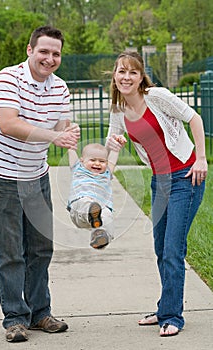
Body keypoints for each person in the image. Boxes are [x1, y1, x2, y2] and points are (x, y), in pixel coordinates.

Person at [0, 26, 80, 343]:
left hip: (37, 176)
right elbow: (9, 124)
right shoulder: (7, 78)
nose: (50, 59)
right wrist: (55, 135)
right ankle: (15, 318)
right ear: (29, 50)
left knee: (40, 249)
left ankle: (39, 313)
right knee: (11, 252)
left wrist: (77, 153)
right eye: (44, 51)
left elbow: (64, 130)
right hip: (2, 177)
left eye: (56, 53)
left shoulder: (60, 87)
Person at [106, 50, 208, 337]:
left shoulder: (157, 96)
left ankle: (173, 316)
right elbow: (113, 145)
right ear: (115, 76)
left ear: (141, 77)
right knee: (161, 249)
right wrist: (107, 167)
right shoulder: (117, 108)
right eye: (121, 71)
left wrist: (201, 159)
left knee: (173, 249)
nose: (126, 77)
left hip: (186, 177)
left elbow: (194, 118)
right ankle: (165, 307)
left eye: (132, 72)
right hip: (159, 182)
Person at [67, 139, 126, 249]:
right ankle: (91, 211)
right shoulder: (78, 168)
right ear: (82, 161)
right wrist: (71, 143)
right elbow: (71, 150)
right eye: (93, 160)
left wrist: (116, 148)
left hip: (100, 213)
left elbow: (112, 160)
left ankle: (100, 239)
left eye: (102, 161)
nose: (97, 163)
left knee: (107, 215)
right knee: (85, 202)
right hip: (79, 209)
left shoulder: (107, 173)